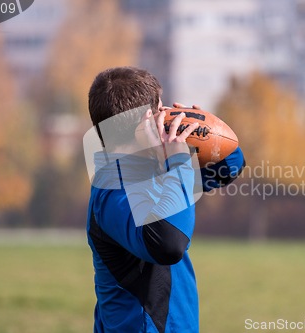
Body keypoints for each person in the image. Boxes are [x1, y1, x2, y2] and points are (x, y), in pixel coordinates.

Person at [86, 66, 245, 333]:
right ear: (148, 121)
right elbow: (169, 243)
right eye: (163, 110)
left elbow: (229, 167)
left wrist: (204, 128)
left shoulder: (153, 167)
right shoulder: (113, 189)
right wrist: (180, 160)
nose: (170, 116)